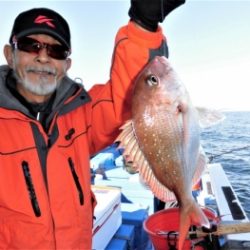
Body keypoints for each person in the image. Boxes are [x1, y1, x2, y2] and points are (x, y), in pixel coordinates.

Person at [0, 1, 185, 249]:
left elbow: (127, 96)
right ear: (10, 55)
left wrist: (143, 26)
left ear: (66, 65)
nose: (43, 57)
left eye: (56, 51)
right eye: (30, 46)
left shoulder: (82, 113)